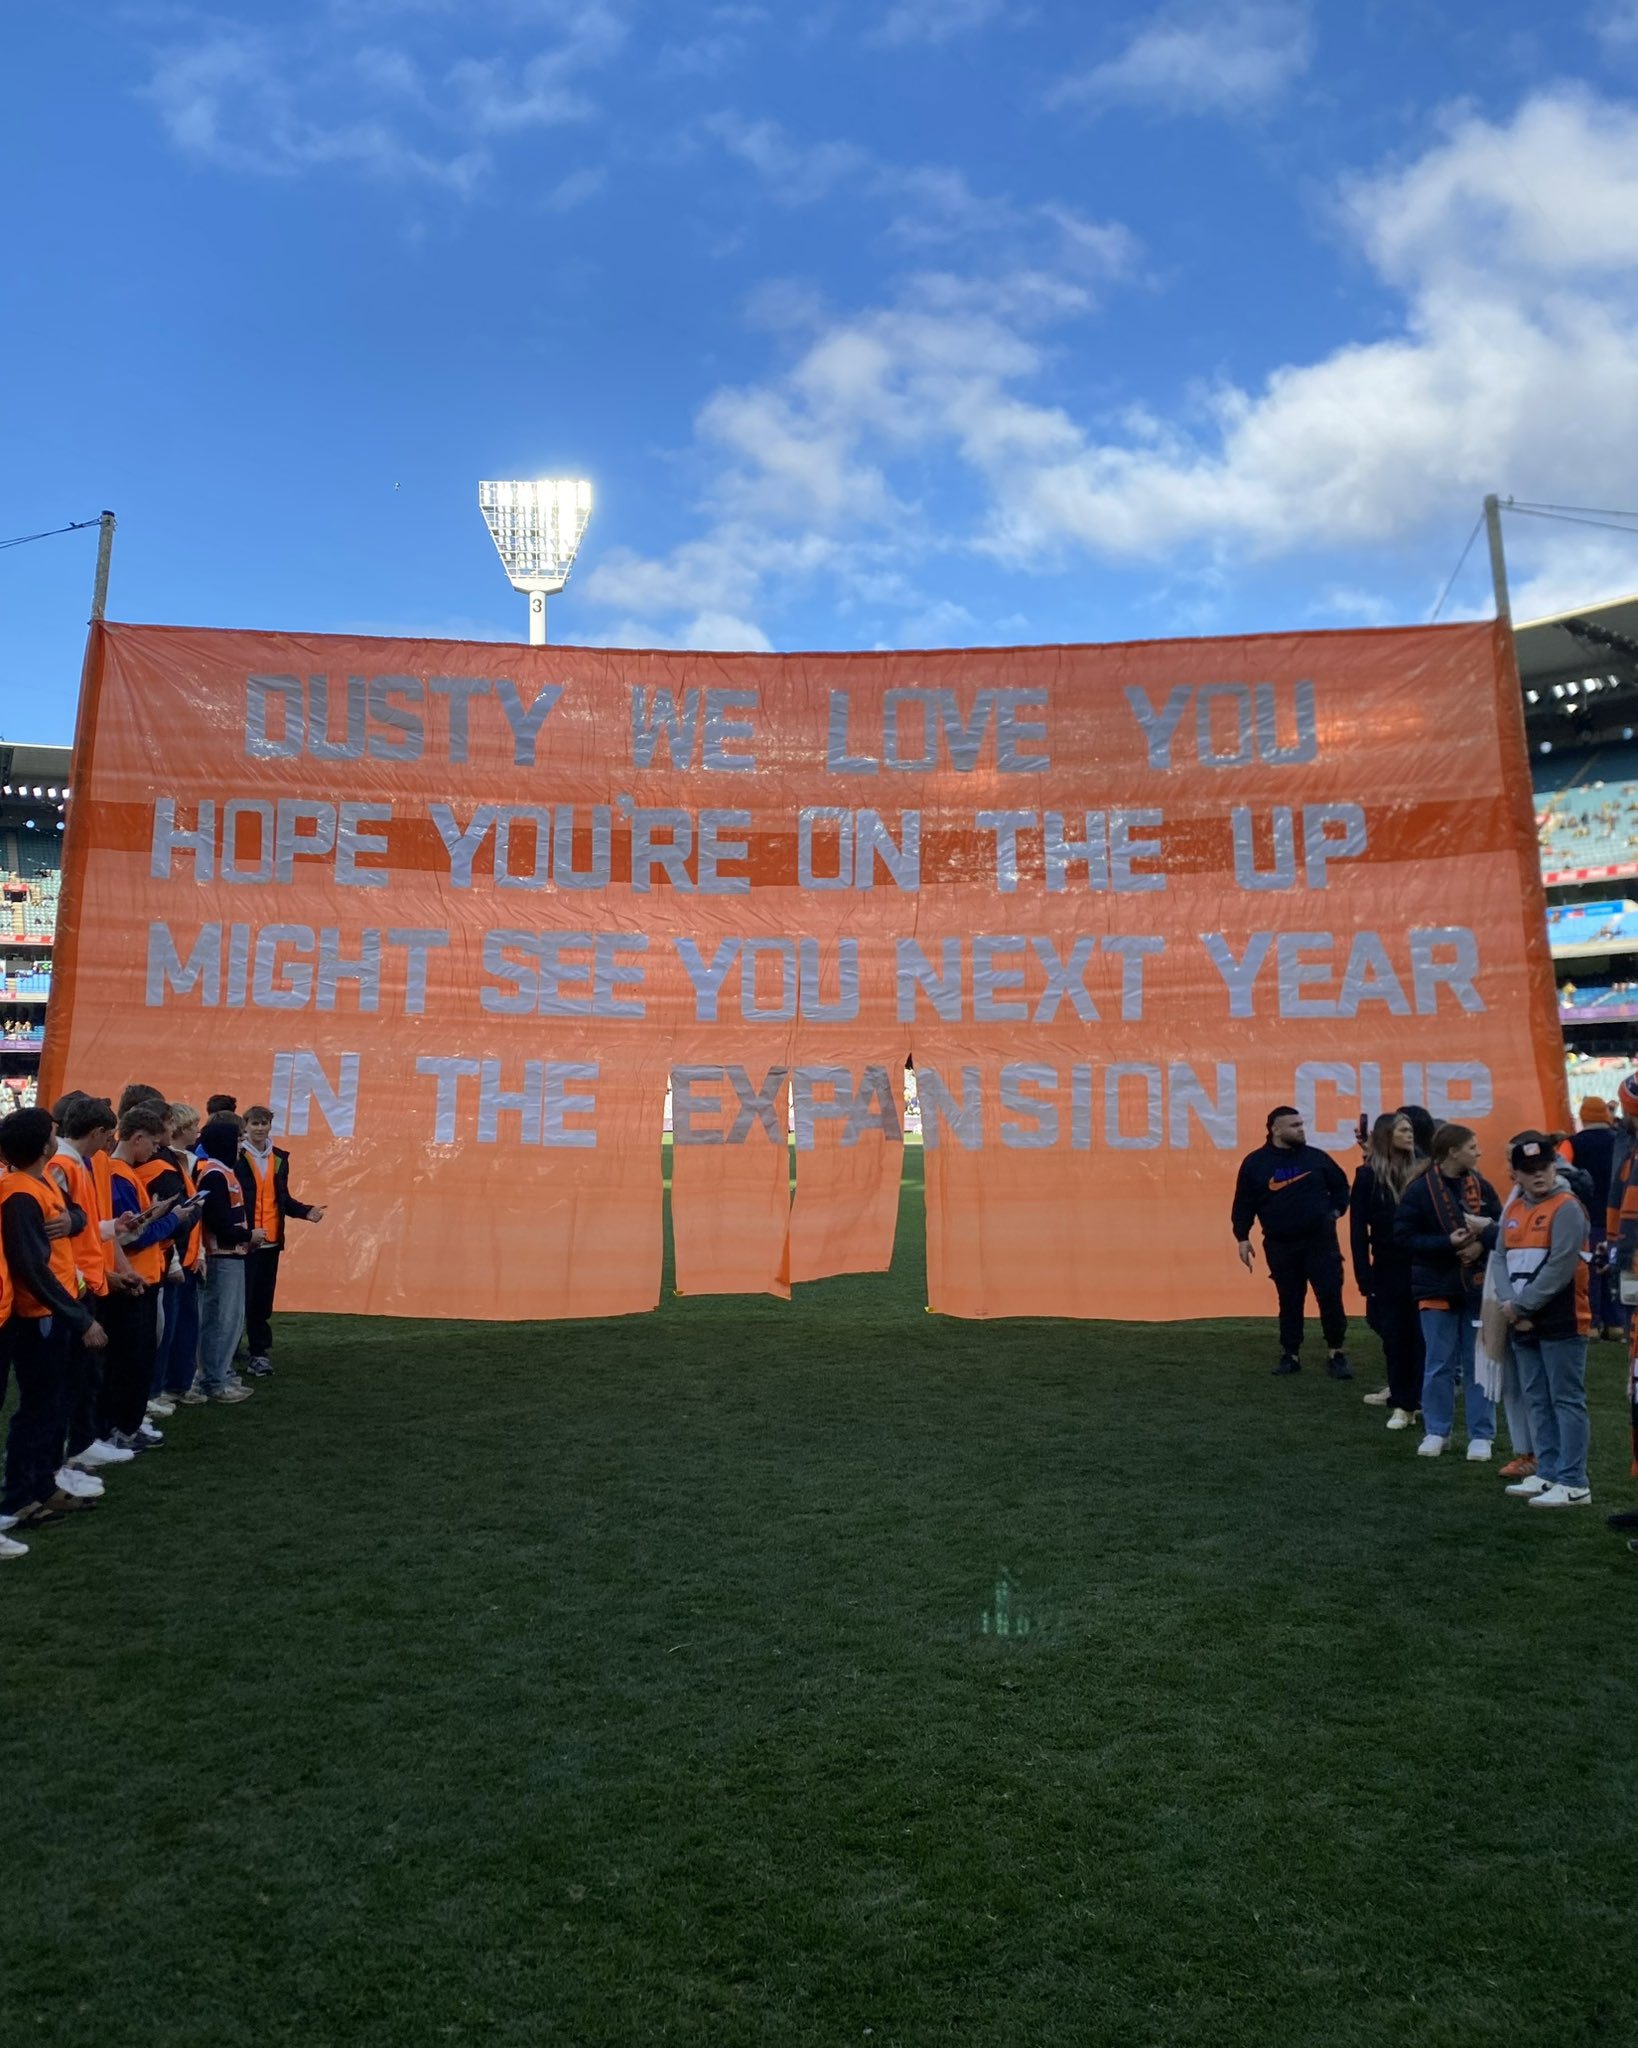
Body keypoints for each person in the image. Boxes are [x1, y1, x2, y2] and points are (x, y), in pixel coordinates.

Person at [0, 1107, 107, 1531]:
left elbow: (75, 1215)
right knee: (39, 1409)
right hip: (41, 1315)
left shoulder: (36, 1182)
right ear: (42, 1144)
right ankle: (22, 1496)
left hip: (57, 1306)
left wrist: (71, 1219)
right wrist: (79, 1318)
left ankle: (41, 1486)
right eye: (51, 1133)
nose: (55, 1137)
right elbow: (32, 1267)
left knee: (53, 1404)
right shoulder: (20, 1192)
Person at [1486, 1133, 1593, 1509]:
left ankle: (1574, 1480)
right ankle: (1549, 1472)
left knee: (1565, 1398)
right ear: (1515, 1174)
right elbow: (1499, 1258)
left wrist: (1519, 1306)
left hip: (1562, 1320)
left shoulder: (1567, 1207)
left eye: (1544, 1167)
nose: (1539, 1175)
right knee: (1537, 1398)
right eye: (1530, 1170)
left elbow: (1562, 1266)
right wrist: (1512, 1303)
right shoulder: (1513, 1211)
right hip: (1524, 1318)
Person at [1394, 1123, 1502, 1459]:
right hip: (1436, 1286)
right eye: (1472, 1147)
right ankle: (1436, 1431)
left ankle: (1481, 1435)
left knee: (1477, 1364)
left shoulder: (1481, 1187)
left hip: (1476, 1289)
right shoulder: (1419, 1190)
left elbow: (1502, 1229)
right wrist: (1446, 1244)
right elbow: (1402, 1238)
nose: (1478, 1152)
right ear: (1452, 1151)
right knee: (1438, 1364)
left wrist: (1480, 1247)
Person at [100, 1102, 196, 1452]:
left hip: (138, 1275)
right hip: (132, 1279)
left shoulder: (120, 1172)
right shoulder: (118, 1173)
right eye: (154, 1145)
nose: (156, 1153)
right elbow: (132, 1235)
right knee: (129, 1361)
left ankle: (125, 1424)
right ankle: (119, 1427)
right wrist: (172, 1219)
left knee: (136, 1359)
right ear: (138, 1138)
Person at [1232, 1105, 1352, 1378]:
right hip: (1280, 1245)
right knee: (1289, 1300)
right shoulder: (1256, 1163)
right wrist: (1242, 1236)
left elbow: (1342, 1187)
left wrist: (1335, 1212)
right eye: (1294, 1125)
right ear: (1275, 1129)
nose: (1301, 1129)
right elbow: (1243, 1203)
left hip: (1321, 1244)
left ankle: (1336, 1353)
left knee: (1330, 1297)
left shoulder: (1317, 1158)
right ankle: (1290, 1354)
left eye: (1301, 1124)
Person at [1348, 1112, 1424, 1427]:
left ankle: (1414, 1399)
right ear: (1387, 1135)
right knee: (1393, 1333)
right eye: (1402, 1130)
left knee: (1420, 1335)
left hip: (1421, 1264)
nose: (1410, 1134)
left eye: (1410, 1129)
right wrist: (1363, 1274)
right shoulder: (1368, 1176)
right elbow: (1357, 1230)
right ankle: (1401, 1398)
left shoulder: (1423, 1172)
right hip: (1387, 1267)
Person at [237, 1105, 324, 1377]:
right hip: (243, 1242)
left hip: (271, 1242)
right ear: (245, 1126)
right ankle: (226, 1353)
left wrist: (306, 1212)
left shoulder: (278, 1158)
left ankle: (259, 1353)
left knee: (261, 1302)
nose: (260, 1128)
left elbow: (281, 1198)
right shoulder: (237, 1156)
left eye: (264, 1123)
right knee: (239, 1302)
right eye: (255, 1124)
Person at [187, 1114, 255, 1403]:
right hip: (222, 1255)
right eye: (237, 1139)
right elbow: (218, 1221)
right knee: (221, 1320)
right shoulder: (215, 1174)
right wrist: (248, 1236)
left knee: (230, 1319)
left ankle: (220, 1374)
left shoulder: (222, 1171)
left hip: (231, 1254)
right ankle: (213, 1379)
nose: (241, 1145)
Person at [150, 1102, 206, 1414]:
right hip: (170, 1255)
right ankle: (160, 1388)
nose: (197, 1131)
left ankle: (173, 1384)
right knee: (166, 1328)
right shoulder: (165, 1164)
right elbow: (171, 1212)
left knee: (179, 1325)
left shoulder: (180, 1161)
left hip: (183, 1254)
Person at [1569, 1096, 1621, 1339]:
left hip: (1585, 1216)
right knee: (1615, 1268)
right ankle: (1617, 1324)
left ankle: (1592, 1324)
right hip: (1619, 1216)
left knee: (1589, 1272)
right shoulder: (1621, 1141)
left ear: (1583, 1116)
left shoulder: (1572, 1144)